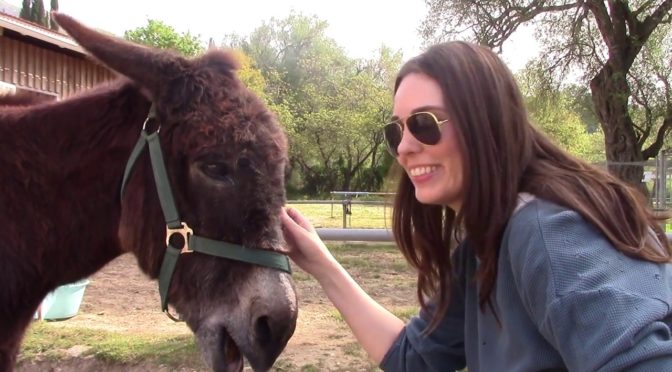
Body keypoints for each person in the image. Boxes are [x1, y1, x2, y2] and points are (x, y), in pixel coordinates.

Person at [280, 41, 672, 371]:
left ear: (484, 122)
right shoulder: (485, 246)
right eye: (396, 130)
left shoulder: (546, 230)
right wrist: (320, 263)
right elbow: (411, 357)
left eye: (424, 123)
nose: (403, 147)